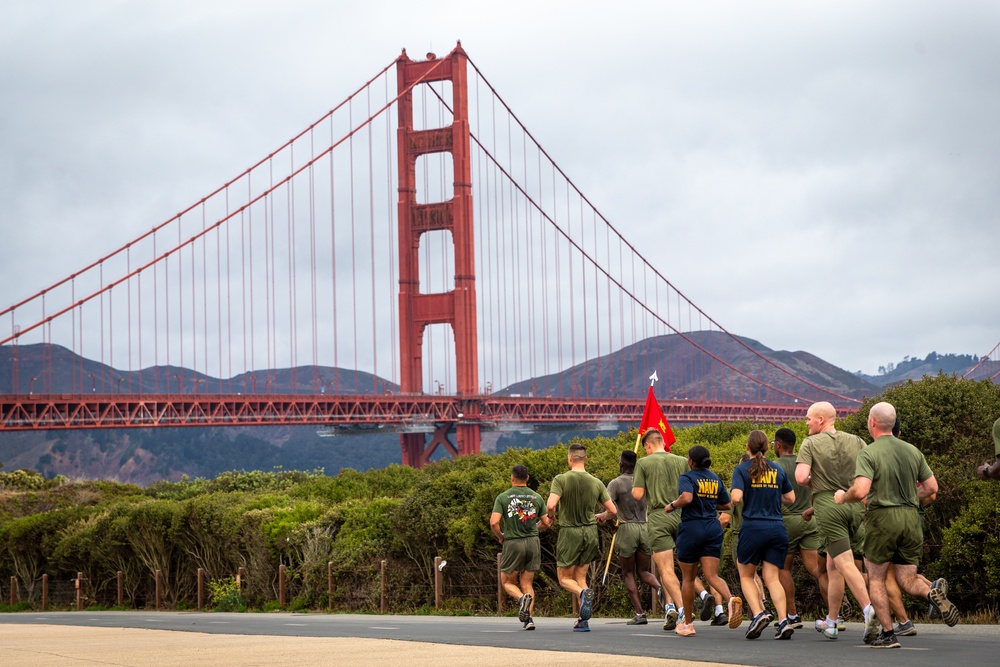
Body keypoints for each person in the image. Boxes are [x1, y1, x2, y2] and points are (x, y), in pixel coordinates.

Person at [835, 401, 960, 648]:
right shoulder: (913, 451)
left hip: (883, 519)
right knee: (907, 577)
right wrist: (912, 501)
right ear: (892, 424)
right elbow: (932, 488)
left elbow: (860, 491)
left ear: (872, 423)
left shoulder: (869, 452)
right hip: (911, 518)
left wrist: (842, 497)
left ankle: (888, 634)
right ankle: (930, 594)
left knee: (877, 577)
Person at [795, 401, 875, 641]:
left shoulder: (810, 443)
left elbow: (800, 478)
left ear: (821, 419)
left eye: (809, 418)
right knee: (832, 565)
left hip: (830, 509)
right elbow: (870, 473)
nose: (806, 422)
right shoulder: (858, 441)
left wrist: (815, 482)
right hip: (854, 506)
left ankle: (869, 610)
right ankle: (831, 620)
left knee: (845, 564)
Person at [666, 445, 742, 637]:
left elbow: (687, 497)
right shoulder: (715, 478)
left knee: (688, 578)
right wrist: (707, 502)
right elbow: (726, 504)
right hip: (712, 528)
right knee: (712, 576)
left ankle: (688, 624)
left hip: (692, 528)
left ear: (691, 461)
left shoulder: (687, 477)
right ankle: (731, 599)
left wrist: (672, 505)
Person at [731, 430, 796, 640]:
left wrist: (738, 496)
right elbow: (791, 498)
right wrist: (772, 497)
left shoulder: (742, 470)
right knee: (772, 578)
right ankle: (784, 620)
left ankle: (759, 613)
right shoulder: (777, 469)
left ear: (747, 448)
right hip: (777, 528)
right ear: (768, 448)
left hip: (753, 528)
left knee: (746, 575)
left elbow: (736, 497)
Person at [547, 443, 617, 632]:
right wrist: (602, 516)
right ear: (585, 458)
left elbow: (551, 505)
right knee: (580, 575)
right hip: (590, 532)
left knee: (564, 578)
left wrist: (552, 517)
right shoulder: (596, 482)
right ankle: (582, 620)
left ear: (570, 458)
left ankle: (582, 593)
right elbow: (612, 510)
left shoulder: (561, 479)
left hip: (570, 532)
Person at [631, 428, 689, 631]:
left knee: (665, 570)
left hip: (658, 516)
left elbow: (637, 495)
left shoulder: (644, 463)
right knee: (684, 570)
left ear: (647, 445)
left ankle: (683, 613)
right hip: (682, 516)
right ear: (662, 442)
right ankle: (670, 607)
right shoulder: (682, 461)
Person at [773, 428, 828, 629]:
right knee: (818, 569)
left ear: (778, 444)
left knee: (783, 569)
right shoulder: (804, 465)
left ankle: (792, 615)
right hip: (810, 519)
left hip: (787, 522)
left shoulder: (774, 466)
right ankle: (834, 613)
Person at [490, 464, 551, 630]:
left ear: (512, 478)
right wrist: (533, 528)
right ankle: (528, 620)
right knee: (527, 582)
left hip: (513, 542)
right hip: (533, 542)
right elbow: (546, 522)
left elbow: (494, 522)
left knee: (507, 581)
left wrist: (501, 536)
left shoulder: (503, 497)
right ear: (527, 479)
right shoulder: (536, 497)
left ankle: (521, 598)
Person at [606, 450, 661, 624]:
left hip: (626, 528)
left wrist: (611, 526)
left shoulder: (616, 483)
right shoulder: (644, 482)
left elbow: (609, 510)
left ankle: (639, 613)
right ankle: (661, 590)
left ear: (622, 464)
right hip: (645, 527)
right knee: (644, 571)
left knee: (628, 572)